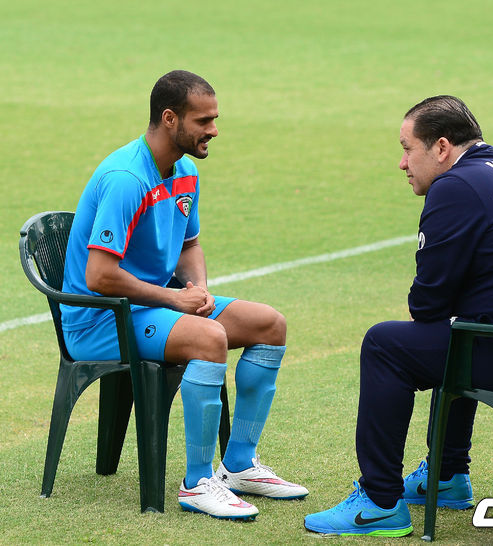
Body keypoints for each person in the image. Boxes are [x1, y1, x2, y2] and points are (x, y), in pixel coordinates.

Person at [304, 95, 493, 536]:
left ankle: (380, 502)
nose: (402, 164)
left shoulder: (455, 186)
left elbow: (426, 305)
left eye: (407, 149)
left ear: (441, 147)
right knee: (460, 326)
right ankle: (446, 475)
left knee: (385, 345)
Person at [61, 70, 308, 521]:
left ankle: (239, 465)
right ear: (170, 118)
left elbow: (188, 246)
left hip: (151, 307)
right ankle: (197, 483)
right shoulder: (126, 178)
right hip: (101, 320)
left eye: (215, 119)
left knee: (269, 324)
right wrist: (176, 300)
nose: (213, 130)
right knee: (209, 338)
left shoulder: (186, 171)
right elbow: (99, 276)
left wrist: (198, 289)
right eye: (204, 120)